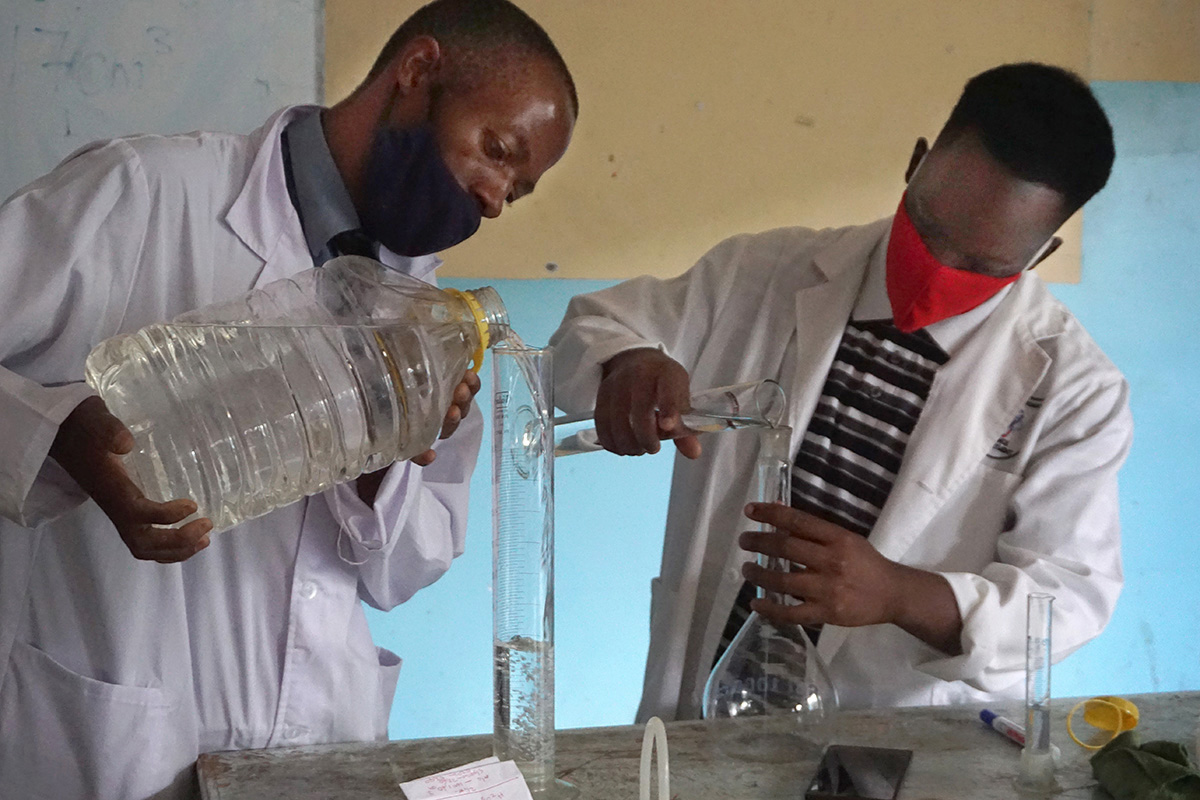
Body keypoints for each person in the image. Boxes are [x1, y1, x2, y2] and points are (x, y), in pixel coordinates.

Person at [0, 0, 576, 797]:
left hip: (317, 754)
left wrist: (382, 454)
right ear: (417, 72)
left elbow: (403, 572)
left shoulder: (429, 315)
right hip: (116, 742)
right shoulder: (146, 195)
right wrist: (55, 433)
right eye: (496, 151)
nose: (493, 199)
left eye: (517, 190)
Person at [550, 63, 1130, 721]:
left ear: (1042, 254)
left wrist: (900, 595)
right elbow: (593, 326)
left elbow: (1070, 597)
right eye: (930, 231)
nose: (940, 272)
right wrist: (627, 361)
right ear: (915, 165)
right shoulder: (763, 273)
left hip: (898, 735)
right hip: (711, 706)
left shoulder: (1076, 391)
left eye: (982, 266)